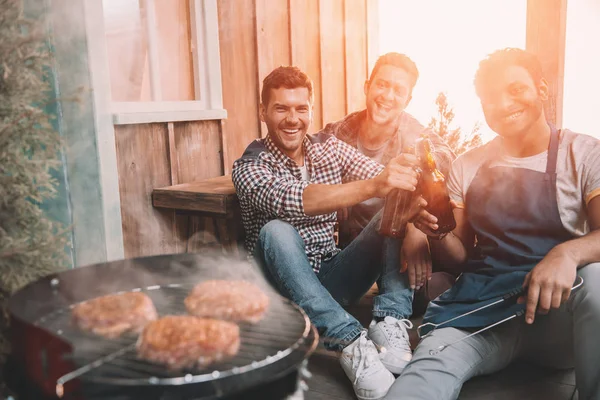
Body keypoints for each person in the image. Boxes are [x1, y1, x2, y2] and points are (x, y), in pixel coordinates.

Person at [384, 48, 600, 400]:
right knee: (419, 382)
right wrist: (435, 232)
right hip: (481, 315)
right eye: (490, 98)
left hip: (560, 323)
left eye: (516, 89)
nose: (503, 104)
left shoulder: (584, 153)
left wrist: (568, 253)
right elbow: (460, 258)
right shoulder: (468, 166)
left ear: (542, 90)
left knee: (596, 278)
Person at [232, 66, 422, 400]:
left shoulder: (327, 147)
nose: (293, 119)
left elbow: (386, 179)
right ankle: (351, 342)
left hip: (331, 284)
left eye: (301, 108)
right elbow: (299, 201)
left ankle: (390, 318)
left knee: (394, 205)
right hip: (283, 298)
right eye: (281, 108)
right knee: (276, 231)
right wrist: (377, 184)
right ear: (263, 112)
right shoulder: (250, 166)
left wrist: (413, 221)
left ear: (311, 109)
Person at [320, 52, 457, 314]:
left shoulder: (416, 135)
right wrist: (336, 194)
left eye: (398, 90)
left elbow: (445, 158)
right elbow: (306, 153)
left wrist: (415, 229)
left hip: (398, 260)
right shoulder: (339, 133)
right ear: (367, 87)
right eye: (382, 85)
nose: (388, 96)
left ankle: (393, 319)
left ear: (408, 99)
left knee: (426, 297)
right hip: (356, 255)